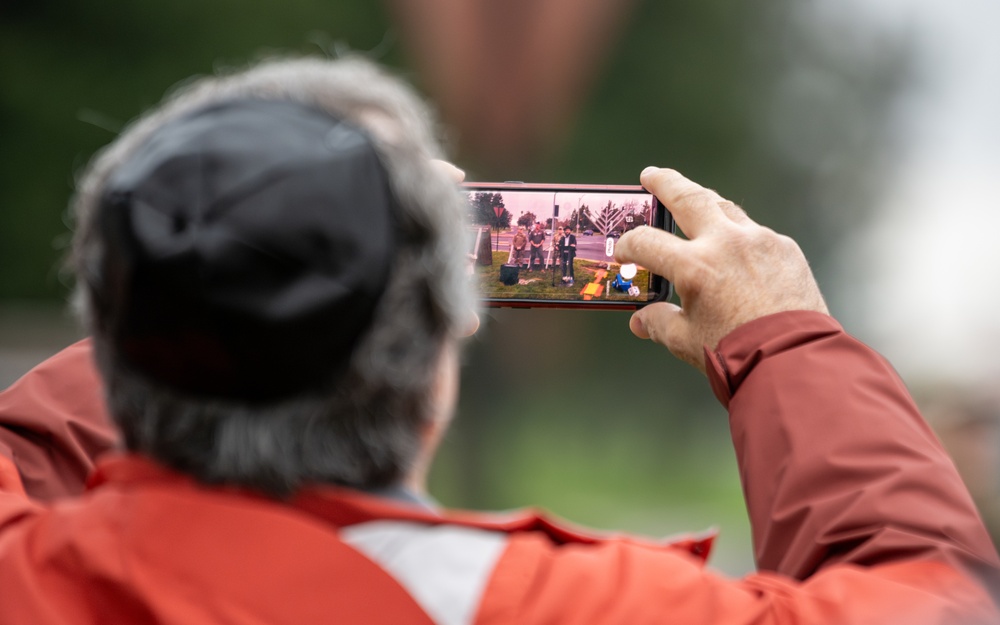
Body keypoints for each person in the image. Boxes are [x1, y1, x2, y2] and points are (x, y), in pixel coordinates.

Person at [0, 56, 998, 625]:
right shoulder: (550, 608)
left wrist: (218, 260)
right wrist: (782, 340)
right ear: (433, 362)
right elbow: (937, 599)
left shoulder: (28, 574)